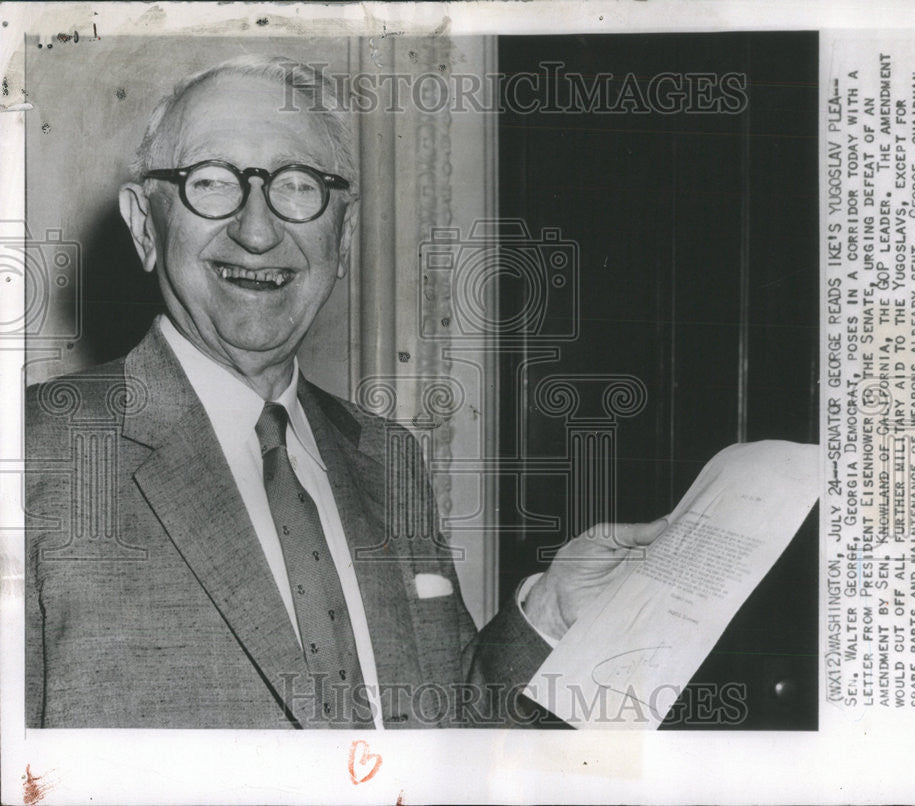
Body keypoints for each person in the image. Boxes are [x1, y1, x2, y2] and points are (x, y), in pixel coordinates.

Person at [24, 56, 664, 729]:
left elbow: (450, 736)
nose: (258, 230)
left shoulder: (388, 459)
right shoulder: (37, 454)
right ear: (144, 225)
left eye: (297, 186)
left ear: (344, 234)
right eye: (211, 183)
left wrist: (550, 614)